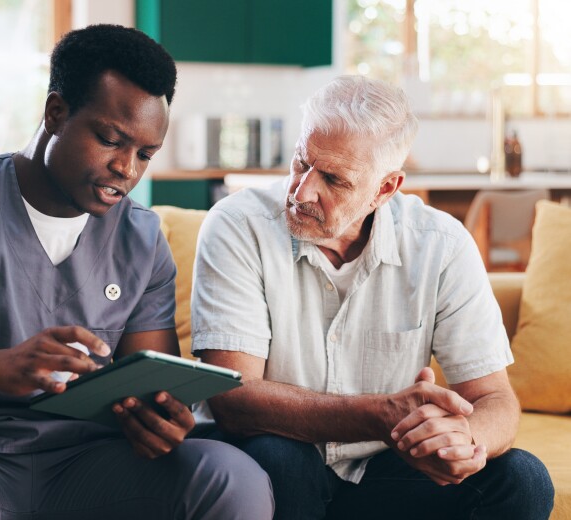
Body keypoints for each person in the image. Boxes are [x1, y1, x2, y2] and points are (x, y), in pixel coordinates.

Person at [0, 24, 273, 520]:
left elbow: (152, 388)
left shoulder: (142, 239)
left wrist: (162, 421)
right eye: (111, 140)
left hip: (87, 461)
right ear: (56, 112)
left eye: (146, 155)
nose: (127, 169)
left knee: (232, 477)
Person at [191, 75, 554, 519]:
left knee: (523, 479)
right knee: (278, 457)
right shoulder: (236, 224)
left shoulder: (439, 243)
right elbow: (234, 400)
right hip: (274, 457)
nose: (301, 191)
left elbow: (495, 399)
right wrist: (379, 414)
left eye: (333, 179)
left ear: (384, 189)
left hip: (384, 470)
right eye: (301, 162)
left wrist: (462, 442)